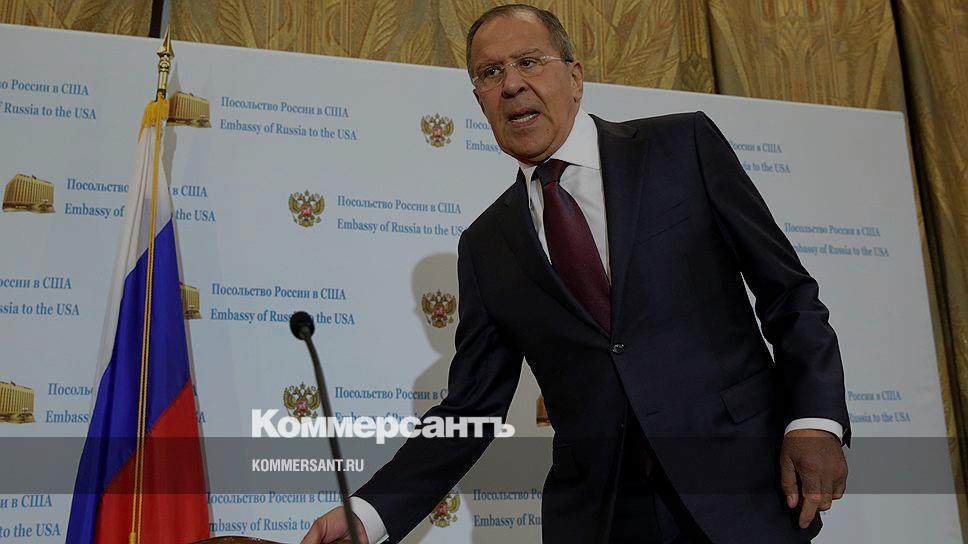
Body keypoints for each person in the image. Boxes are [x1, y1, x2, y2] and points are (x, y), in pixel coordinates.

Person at [301, 4, 849, 543]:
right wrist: (368, 513)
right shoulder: (486, 245)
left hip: (743, 486)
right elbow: (472, 408)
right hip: (603, 518)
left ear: (576, 76)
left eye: (529, 62)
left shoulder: (682, 146)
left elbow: (787, 291)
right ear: (479, 100)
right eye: (490, 73)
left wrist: (814, 420)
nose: (511, 85)